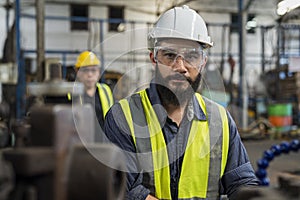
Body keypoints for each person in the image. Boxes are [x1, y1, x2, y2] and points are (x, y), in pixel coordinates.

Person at [104, 5, 258, 200]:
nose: (180, 67)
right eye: (169, 55)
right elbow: (121, 190)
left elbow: (242, 183)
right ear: (153, 58)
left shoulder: (220, 121)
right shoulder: (122, 118)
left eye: (191, 56)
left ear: (203, 62)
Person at [73, 51, 114, 132]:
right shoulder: (71, 93)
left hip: (103, 139)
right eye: (85, 70)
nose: (90, 74)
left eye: (93, 70)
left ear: (98, 72)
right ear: (77, 72)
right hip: (81, 139)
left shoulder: (106, 90)